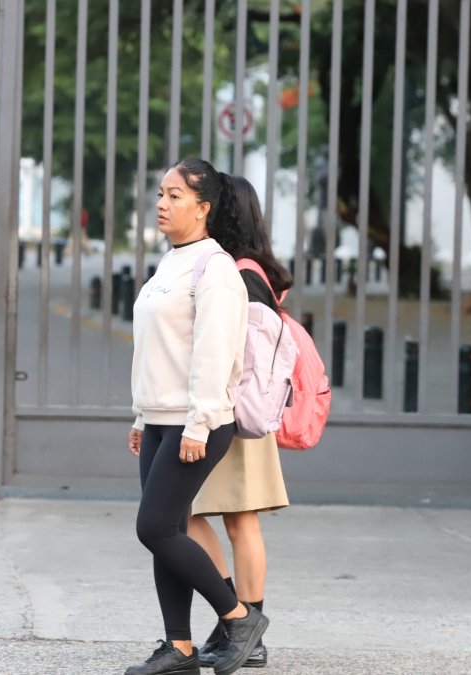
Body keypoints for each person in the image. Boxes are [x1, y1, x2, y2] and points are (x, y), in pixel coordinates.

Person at [126, 159, 267, 675]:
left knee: (155, 528)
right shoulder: (171, 263)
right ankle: (180, 648)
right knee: (172, 527)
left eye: (175, 196)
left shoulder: (217, 269)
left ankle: (237, 617)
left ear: (204, 208)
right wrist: (142, 416)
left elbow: (215, 353)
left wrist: (200, 423)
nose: (162, 204)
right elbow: (156, 349)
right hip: (161, 417)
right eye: (161, 194)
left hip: (197, 423)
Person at [188, 176, 291, 669]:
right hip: (243, 409)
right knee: (231, 519)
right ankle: (240, 625)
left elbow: (234, 350)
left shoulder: (237, 272)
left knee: (197, 516)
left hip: (231, 409)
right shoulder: (257, 268)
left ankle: (243, 625)